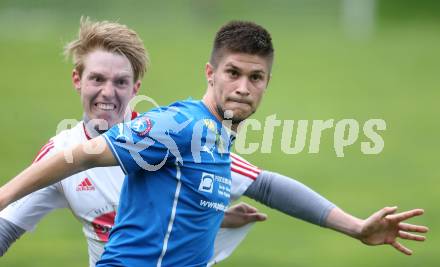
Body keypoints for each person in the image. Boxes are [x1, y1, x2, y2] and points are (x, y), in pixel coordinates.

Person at [0, 20, 428, 266]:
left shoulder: (213, 139)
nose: (243, 88)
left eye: (255, 77)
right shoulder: (181, 126)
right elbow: (83, 155)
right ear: (210, 73)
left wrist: (356, 228)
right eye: (233, 74)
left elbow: (265, 185)